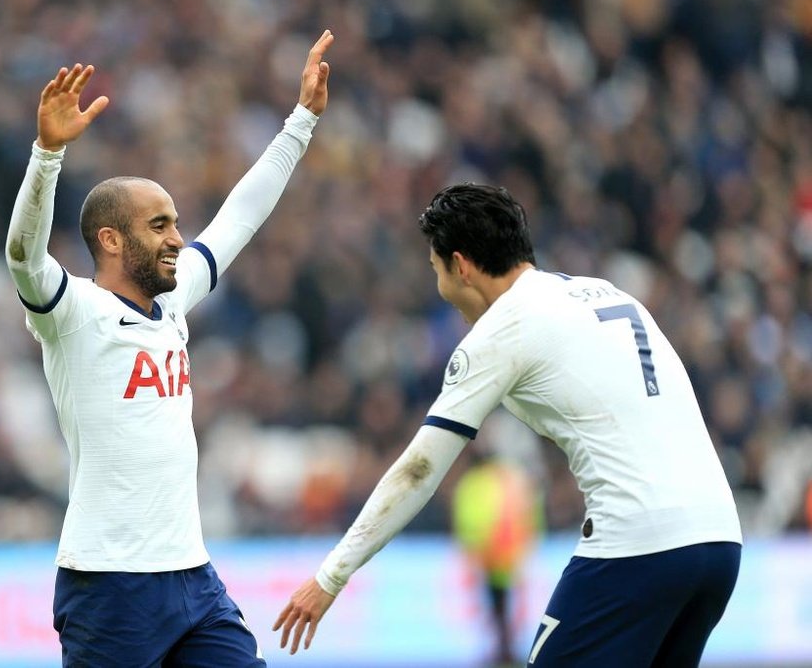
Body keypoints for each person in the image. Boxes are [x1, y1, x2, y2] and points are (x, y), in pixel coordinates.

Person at [274, 183, 742, 666]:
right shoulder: (604, 292)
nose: (442, 290)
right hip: (719, 541)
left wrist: (331, 576)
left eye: (436, 270)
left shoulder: (505, 328)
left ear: (461, 265)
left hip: (638, 545)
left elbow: (418, 470)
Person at [5, 30, 332, 666]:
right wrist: (46, 155)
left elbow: (240, 217)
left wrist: (302, 121)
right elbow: (23, 255)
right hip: (109, 584)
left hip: (192, 575)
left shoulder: (173, 301)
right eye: (159, 226)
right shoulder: (71, 311)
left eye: (176, 222)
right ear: (111, 240)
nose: (179, 238)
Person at [451, 450, 541, 666]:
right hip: (508, 555)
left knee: (498, 603)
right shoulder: (513, 478)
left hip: (491, 556)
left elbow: (468, 517)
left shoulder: (475, 483)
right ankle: (506, 647)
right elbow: (530, 513)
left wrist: (471, 547)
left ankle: (504, 648)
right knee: (505, 603)